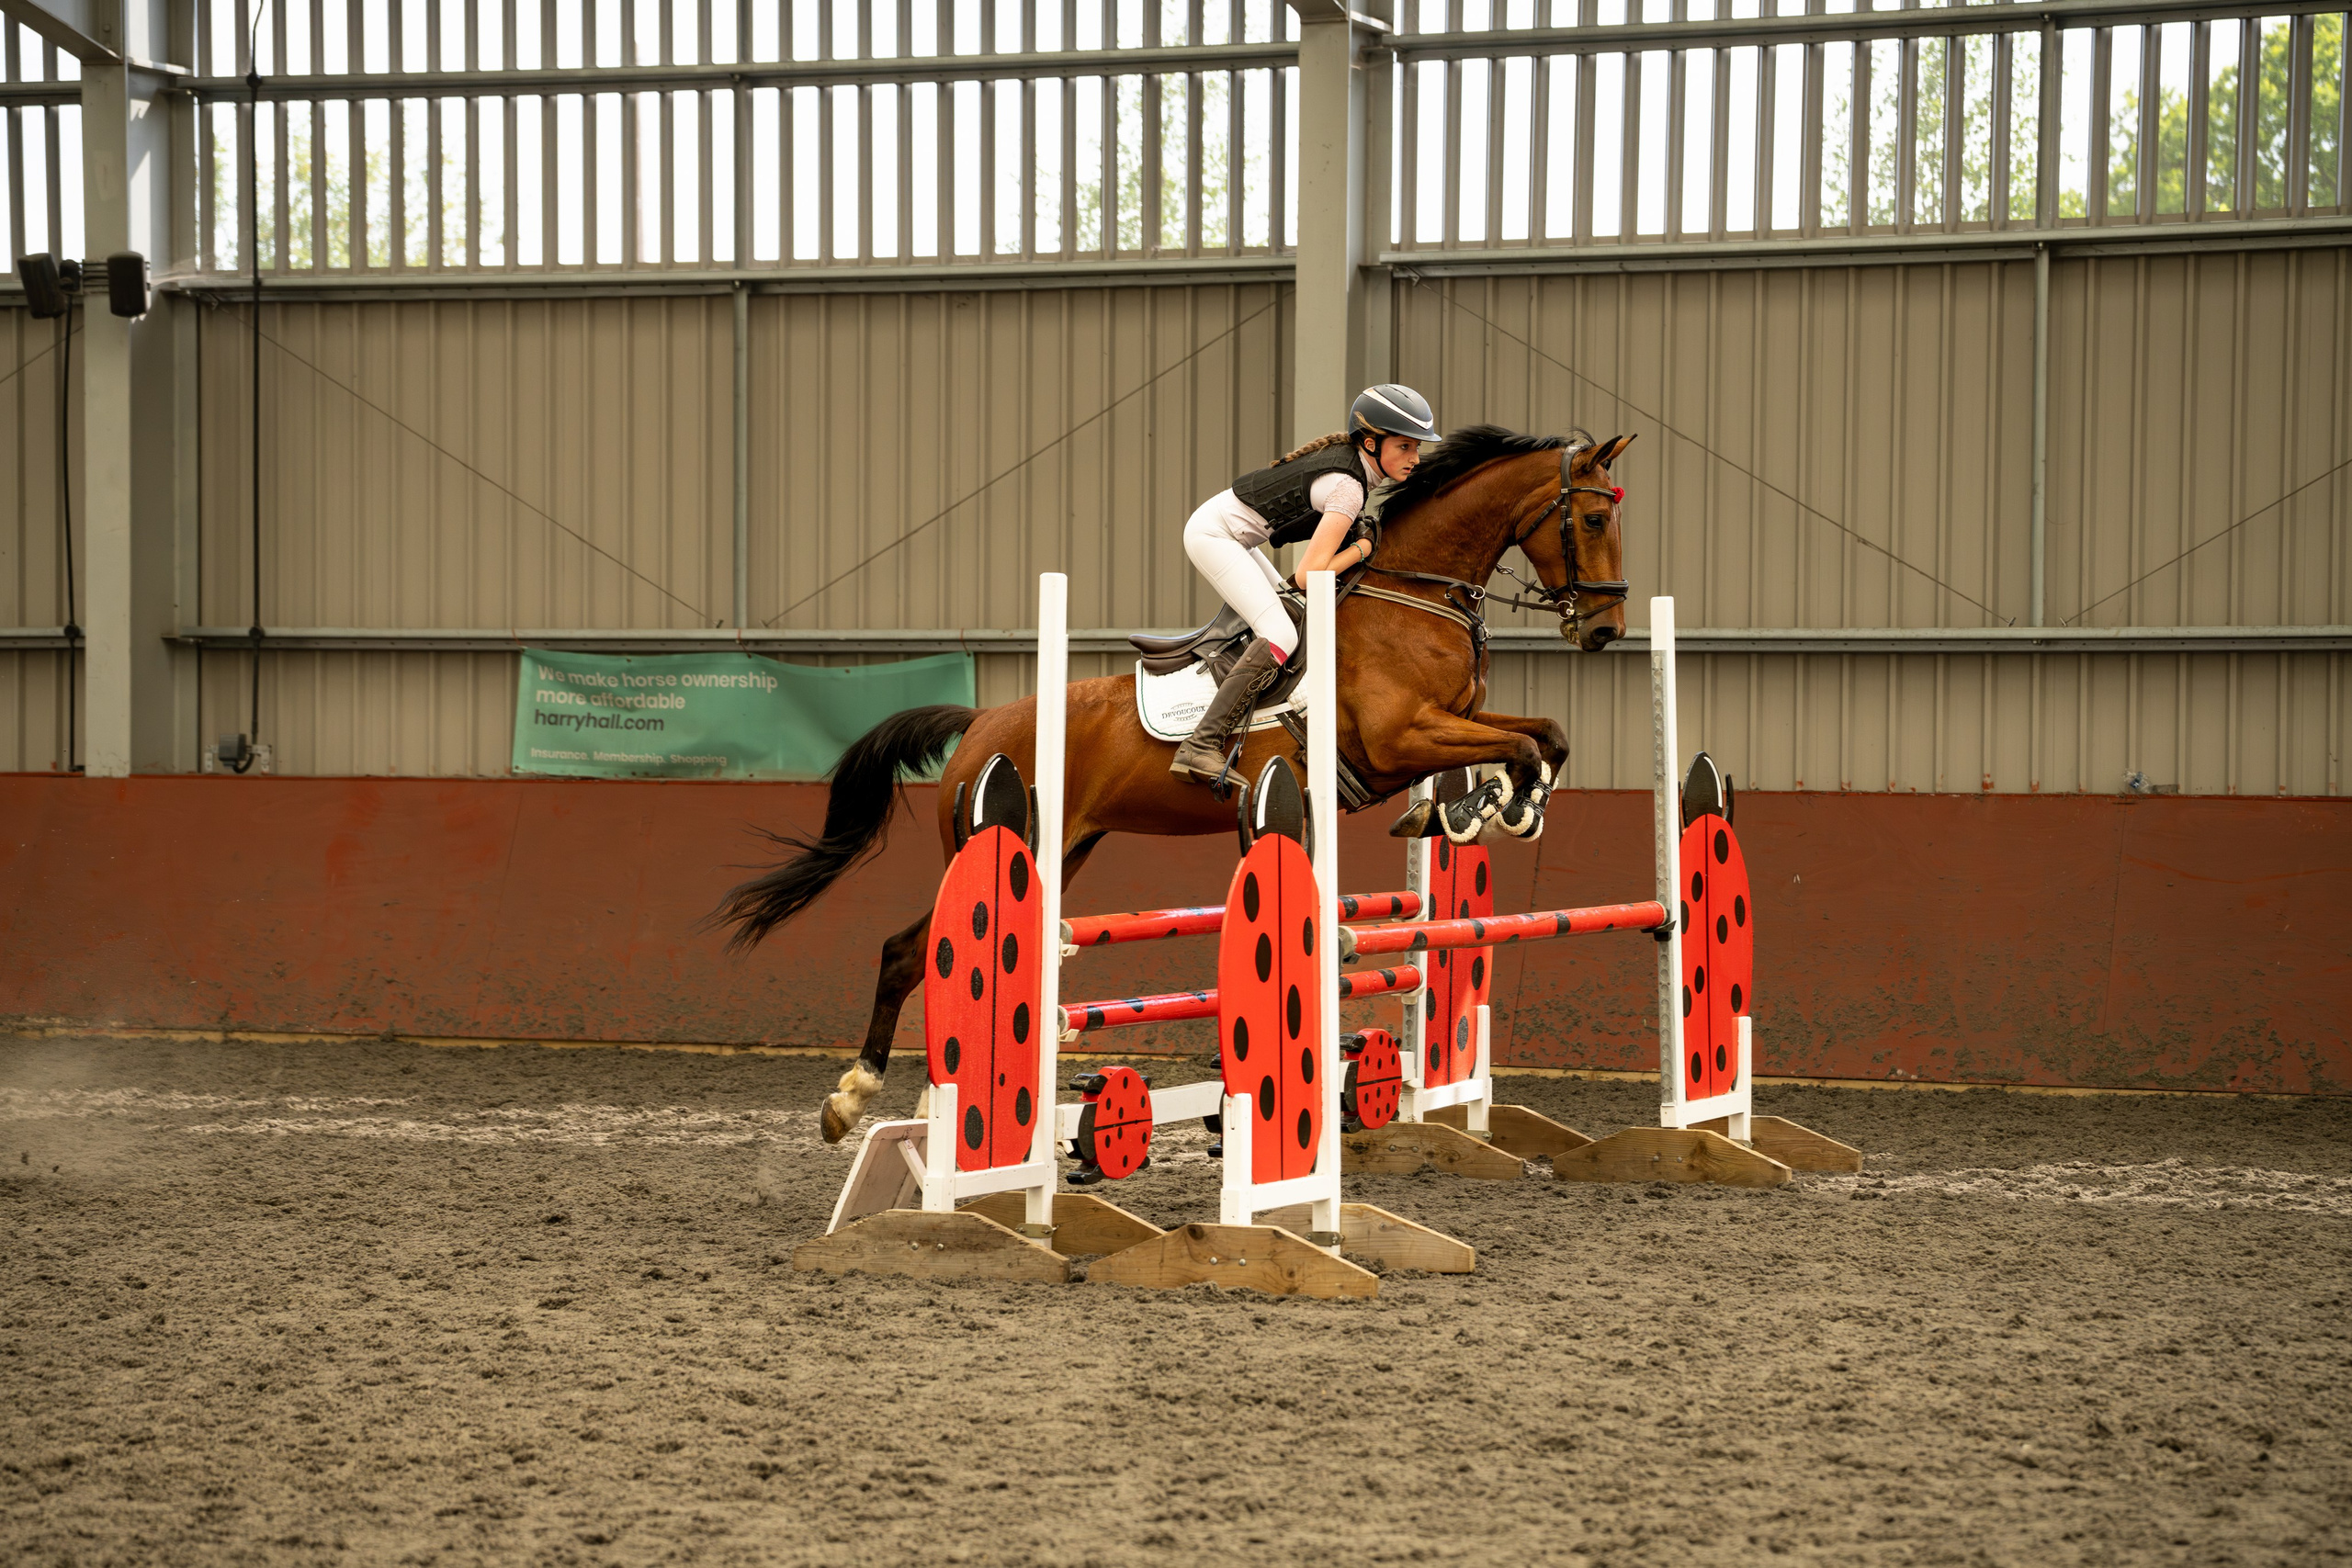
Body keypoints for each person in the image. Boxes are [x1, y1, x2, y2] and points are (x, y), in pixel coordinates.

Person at [1168, 384, 1440, 784]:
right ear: (1371, 442)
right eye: (1404, 447)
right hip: (1214, 536)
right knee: (1280, 633)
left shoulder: (1354, 473)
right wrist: (1362, 550)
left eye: (1416, 448)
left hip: (1233, 536)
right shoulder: (1349, 488)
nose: (1414, 458)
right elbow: (1308, 576)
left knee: (1292, 618)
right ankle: (1201, 745)